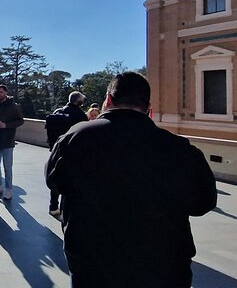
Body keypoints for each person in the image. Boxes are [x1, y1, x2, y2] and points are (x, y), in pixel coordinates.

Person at [46, 72, 217, 288]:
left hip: (94, 266)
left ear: (108, 100)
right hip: (164, 268)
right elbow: (204, 202)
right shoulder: (180, 149)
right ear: (149, 109)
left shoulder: (76, 138)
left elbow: (55, 182)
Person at [46, 91, 88, 216]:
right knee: (70, 181)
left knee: (55, 177)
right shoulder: (80, 116)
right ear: (80, 102)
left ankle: (53, 206)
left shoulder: (58, 112)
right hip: (73, 153)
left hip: (56, 150)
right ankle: (65, 209)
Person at [0, 84, 24, 200]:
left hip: (8, 139)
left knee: (7, 166)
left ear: (6, 93)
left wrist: (6, 125)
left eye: (1, 92)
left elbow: (20, 121)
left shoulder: (13, 106)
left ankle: (9, 188)